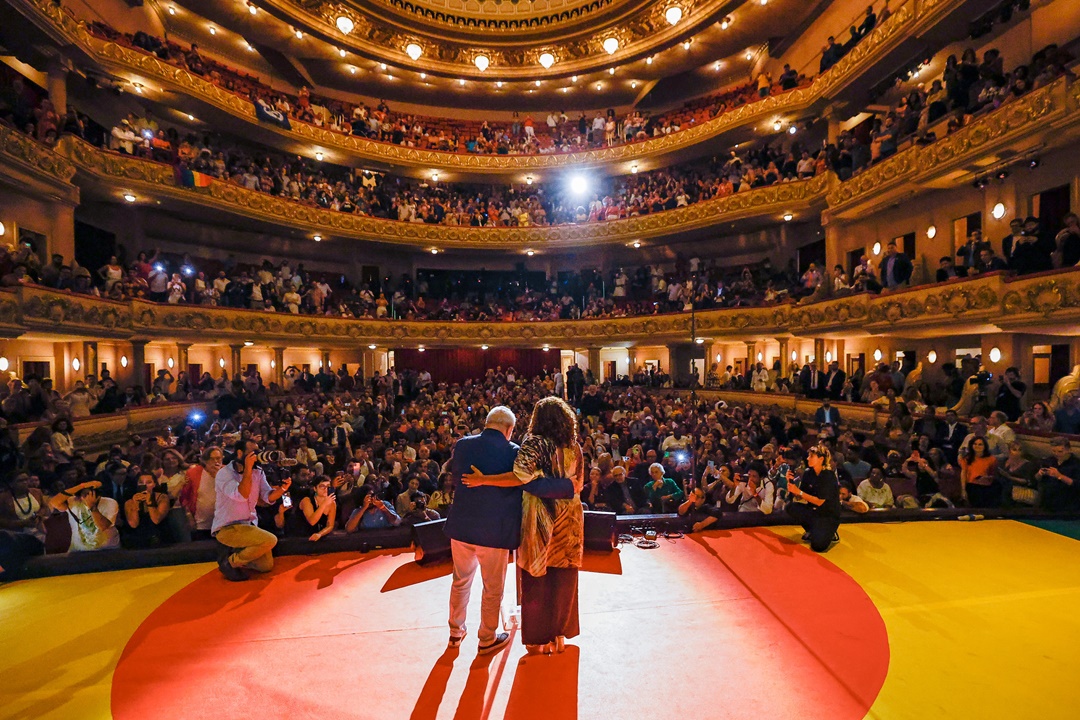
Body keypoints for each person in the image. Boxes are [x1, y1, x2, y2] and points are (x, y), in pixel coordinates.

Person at [446, 405, 576, 655]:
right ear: (509, 429)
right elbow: (524, 481)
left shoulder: (462, 445)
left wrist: (482, 480)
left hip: (462, 526)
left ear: (487, 423)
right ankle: (487, 638)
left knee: (460, 581)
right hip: (494, 531)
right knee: (492, 589)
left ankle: (455, 632)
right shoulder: (514, 452)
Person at [211, 439, 292, 581]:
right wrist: (248, 469)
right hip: (228, 528)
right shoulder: (224, 473)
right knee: (270, 540)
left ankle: (237, 550)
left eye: (258, 452)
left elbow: (268, 497)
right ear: (240, 453)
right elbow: (241, 495)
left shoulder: (258, 472)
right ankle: (229, 563)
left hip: (248, 525)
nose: (257, 455)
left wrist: (283, 489)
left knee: (265, 566)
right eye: (253, 452)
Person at [784, 444, 840, 552]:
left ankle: (830, 532)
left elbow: (820, 502)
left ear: (821, 459)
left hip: (828, 515)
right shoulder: (808, 473)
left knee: (818, 546)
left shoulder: (828, 476)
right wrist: (790, 483)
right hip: (813, 511)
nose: (807, 458)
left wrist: (799, 492)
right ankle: (811, 530)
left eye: (811, 456)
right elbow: (801, 496)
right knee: (791, 507)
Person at [49, 478, 121, 551]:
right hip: (79, 550)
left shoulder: (110, 502)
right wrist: (81, 486)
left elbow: (103, 526)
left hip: (106, 549)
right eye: (83, 493)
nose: (85, 496)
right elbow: (54, 502)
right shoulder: (74, 501)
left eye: (88, 493)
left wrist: (92, 507)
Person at [1037, 437, 1080, 511]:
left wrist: (1059, 476)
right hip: (1047, 501)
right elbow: (1036, 479)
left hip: (1067, 503)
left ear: (1069, 450)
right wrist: (1039, 473)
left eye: (1060, 451)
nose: (1056, 454)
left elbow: (1077, 484)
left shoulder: (1076, 464)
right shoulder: (1050, 460)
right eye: (1054, 451)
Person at [959, 437, 998, 508]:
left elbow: (993, 474)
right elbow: (963, 473)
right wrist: (963, 490)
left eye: (980, 444)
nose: (977, 446)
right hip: (972, 486)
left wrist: (987, 478)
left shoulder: (992, 459)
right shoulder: (966, 458)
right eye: (975, 444)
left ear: (984, 446)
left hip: (986, 486)